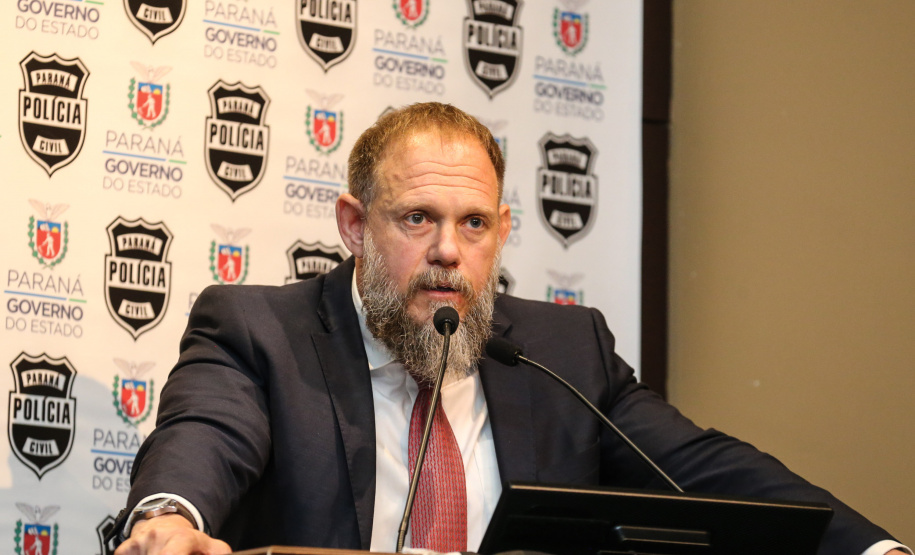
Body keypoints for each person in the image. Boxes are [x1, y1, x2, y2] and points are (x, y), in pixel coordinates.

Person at [111, 103, 909, 555]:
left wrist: (872, 552)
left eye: (474, 223)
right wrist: (167, 518)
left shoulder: (563, 352)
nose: (447, 251)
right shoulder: (261, 331)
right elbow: (204, 436)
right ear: (354, 225)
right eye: (416, 218)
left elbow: (705, 468)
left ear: (500, 231)